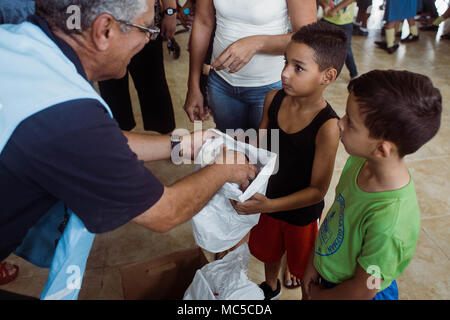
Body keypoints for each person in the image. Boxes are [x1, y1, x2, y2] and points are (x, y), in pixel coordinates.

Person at [0, 0, 257, 297]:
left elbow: (97, 144)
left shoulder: (20, 42)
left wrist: (180, 145)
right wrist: (224, 169)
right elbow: (165, 212)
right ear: (105, 29)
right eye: (147, 28)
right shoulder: (69, 118)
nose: (150, 38)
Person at [302, 70, 442, 300]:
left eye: (350, 121)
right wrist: (314, 264)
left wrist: (320, 297)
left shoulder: (391, 222)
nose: (339, 123)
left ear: (381, 149)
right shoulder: (360, 161)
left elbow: (364, 289)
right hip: (327, 277)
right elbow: (338, 216)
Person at [232, 21, 347, 300]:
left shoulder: (328, 126)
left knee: (304, 266)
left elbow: (317, 191)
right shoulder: (273, 99)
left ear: (327, 76)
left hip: (299, 214)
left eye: (298, 67)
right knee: (268, 252)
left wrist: (270, 204)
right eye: (285, 62)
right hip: (266, 201)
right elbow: (260, 148)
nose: (284, 73)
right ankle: (271, 285)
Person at [183, 0, 317, 132]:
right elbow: (203, 23)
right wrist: (193, 84)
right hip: (221, 84)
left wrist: (257, 43)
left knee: (266, 148)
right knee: (230, 146)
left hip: (270, 86)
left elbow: (308, 37)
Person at [97, 0, 177, 133]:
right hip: (104, 26)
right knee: (112, 93)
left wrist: (170, 12)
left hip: (142, 23)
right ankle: (119, 140)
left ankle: (165, 139)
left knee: (153, 85)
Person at [318, 0, 358, 79]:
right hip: (327, 20)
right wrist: (325, 5)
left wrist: (335, 9)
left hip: (345, 23)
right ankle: (323, 73)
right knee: (323, 48)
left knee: (346, 50)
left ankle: (354, 75)